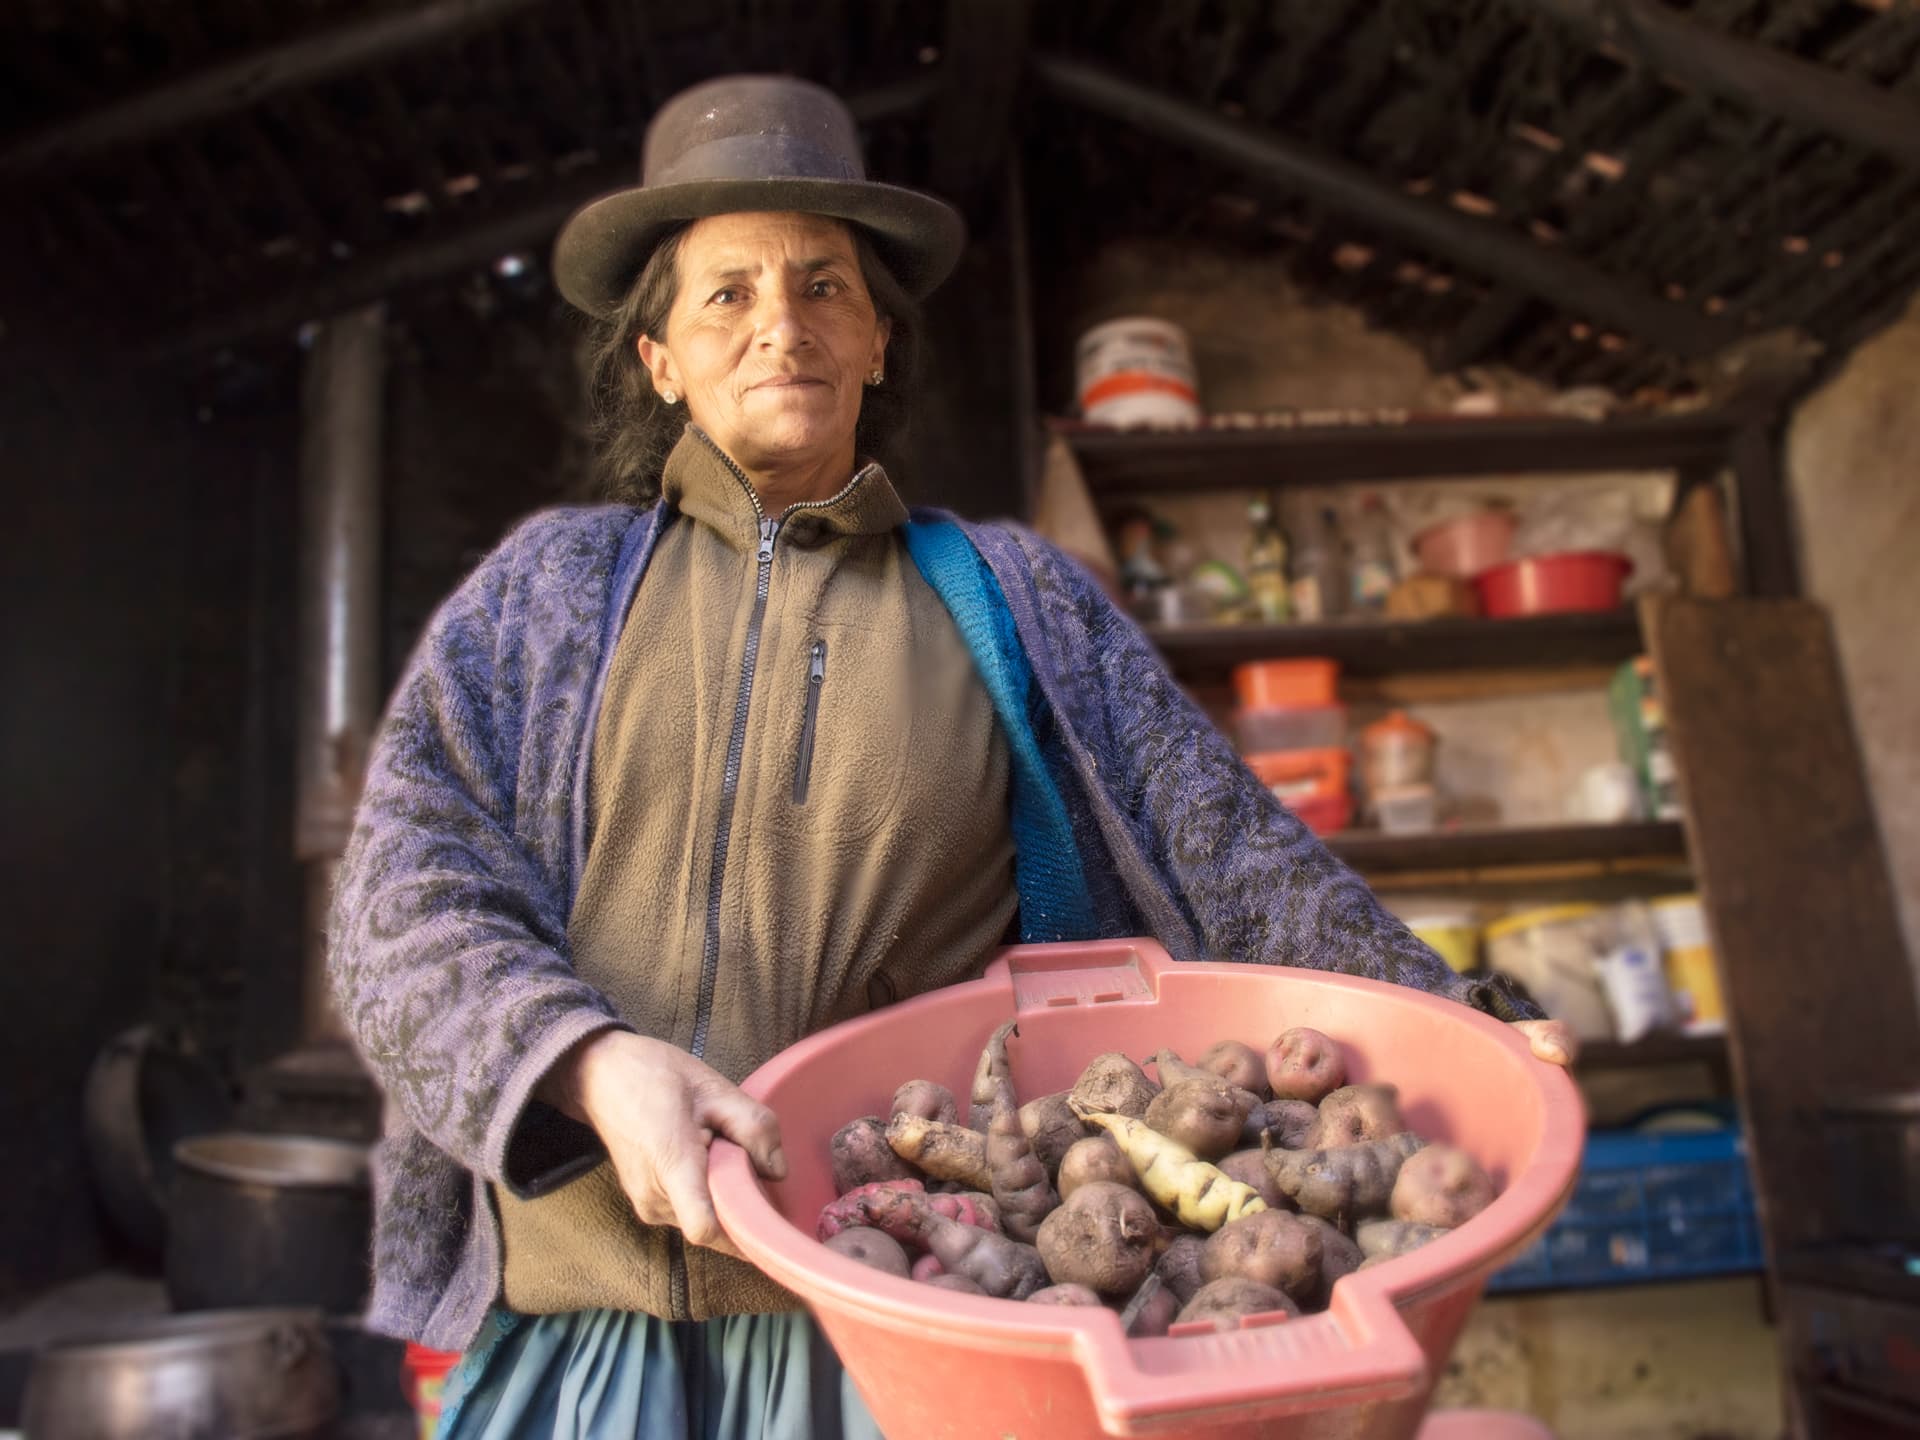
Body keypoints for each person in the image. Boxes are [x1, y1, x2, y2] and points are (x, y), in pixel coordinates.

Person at [328, 73, 1573, 1440]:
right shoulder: (550, 594)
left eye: (824, 288)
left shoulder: (1008, 596)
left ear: (876, 341)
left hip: (939, 1335)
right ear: (660, 360)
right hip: (594, 1337)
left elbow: (1234, 855)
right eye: (726, 294)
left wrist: (1463, 1015)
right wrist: (580, 1061)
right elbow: (406, 890)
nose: (780, 326)